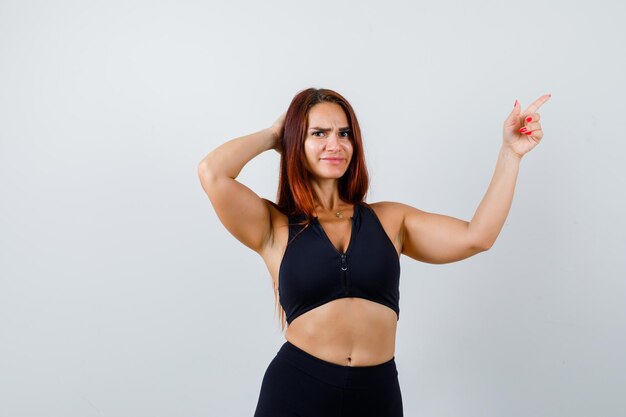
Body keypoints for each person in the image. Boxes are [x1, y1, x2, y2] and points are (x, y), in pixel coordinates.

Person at [197, 87, 550, 417]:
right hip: (297, 390)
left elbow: (478, 236)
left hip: (376, 395)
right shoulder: (272, 227)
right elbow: (213, 173)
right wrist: (277, 134)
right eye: (318, 133)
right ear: (296, 142)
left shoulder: (390, 219)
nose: (334, 143)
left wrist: (510, 154)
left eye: (344, 133)